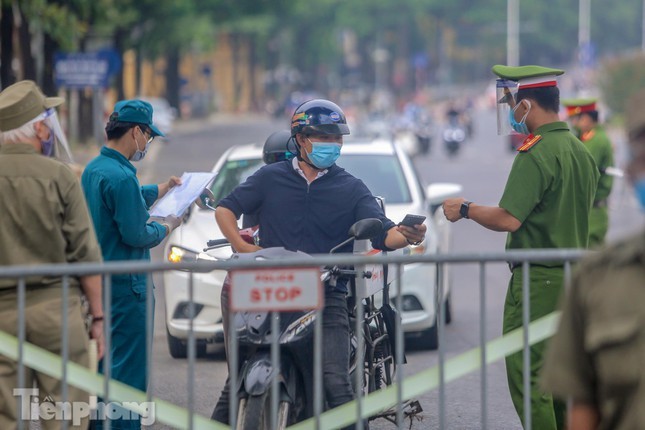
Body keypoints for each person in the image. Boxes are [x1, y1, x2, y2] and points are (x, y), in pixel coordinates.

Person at [211, 99, 426, 427]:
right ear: (300, 139)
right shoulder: (269, 178)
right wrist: (240, 244)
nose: (332, 144)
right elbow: (226, 209)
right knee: (234, 383)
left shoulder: (352, 188)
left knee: (335, 384)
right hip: (269, 292)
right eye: (323, 137)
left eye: (337, 138)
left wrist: (408, 234)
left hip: (326, 296)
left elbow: (383, 233)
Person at [442, 65, 599, 430]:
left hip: (538, 282)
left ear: (527, 105)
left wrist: (464, 209)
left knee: (530, 377)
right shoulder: (579, 150)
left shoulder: (537, 153)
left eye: (513, 104)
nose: (511, 112)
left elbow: (508, 218)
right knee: (561, 378)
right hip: (573, 277)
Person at [0, 80, 104, 429]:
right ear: (40, 128)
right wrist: (100, 320)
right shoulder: (59, 175)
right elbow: (85, 252)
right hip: (56, 310)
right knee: (65, 416)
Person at [541, 88, 645, 430]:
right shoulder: (600, 279)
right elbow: (584, 408)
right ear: (633, 167)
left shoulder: (593, 141)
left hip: (595, 215)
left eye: (577, 116)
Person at [81, 99, 183, 429]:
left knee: (105, 369)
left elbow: (130, 198)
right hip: (129, 288)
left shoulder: (96, 168)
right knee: (128, 376)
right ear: (136, 132)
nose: (147, 143)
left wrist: (162, 188)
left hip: (100, 283)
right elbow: (138, 233)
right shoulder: (122, 178)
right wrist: (168, 225)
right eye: (148, 136)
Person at [562, 98, 615, 247]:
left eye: (574, 119)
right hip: (588, 209)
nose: (573, 124)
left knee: (591, 254)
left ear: (585, 119)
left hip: (593, 210)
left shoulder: (596, 140)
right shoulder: (587, 137)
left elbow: (579, 171)